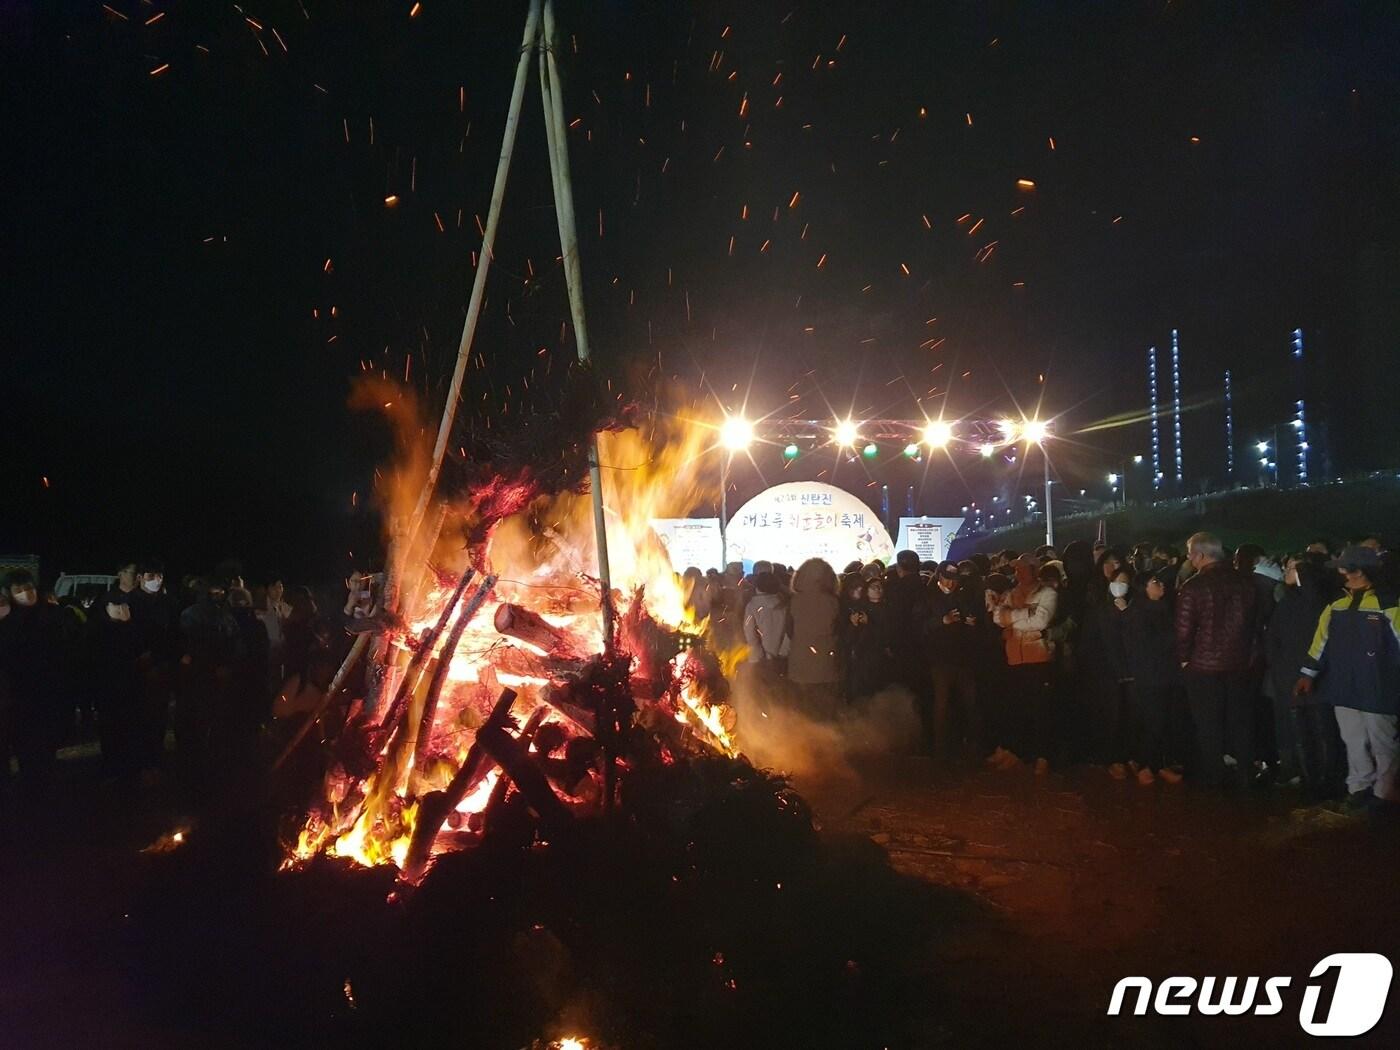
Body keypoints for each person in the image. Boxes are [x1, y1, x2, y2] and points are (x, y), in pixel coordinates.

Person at [1295, 546, 1400, 814]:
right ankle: (1359, 787)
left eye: (1344, 568)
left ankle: (1384, 791)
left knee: (1382, 741)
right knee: (1352, 738)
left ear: (1360, 572)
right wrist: (1307, 674)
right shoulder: (1336, 607)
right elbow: (1320, 644)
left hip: (1379, 688)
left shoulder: (1389, 606)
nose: (1340, 572)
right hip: (1345, 687)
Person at [1175, 532, 1259, 788]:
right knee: (1240, 721)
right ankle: (1246, 772)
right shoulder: (1246, 583)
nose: (1189, 558)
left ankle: (1215, 777)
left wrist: (1184, 659)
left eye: (1190, 553)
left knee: (1208, 723)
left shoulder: (1193, 587)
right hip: (1240, 664)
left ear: (1199, 555)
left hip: (1203, 667)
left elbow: (1183, 631)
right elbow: (1254, 625)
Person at [1267, 555, 1342, 797]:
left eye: (1291, 568)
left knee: (1308, 729)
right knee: (1315, 728)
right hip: (1309, 674)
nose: (1285, 571)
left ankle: (1316, 780)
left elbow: (1275, 640)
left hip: (1298, 675)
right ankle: (1322, 778)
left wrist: (1280, 668)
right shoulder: (1311, 601)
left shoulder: (1298, 603)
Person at [0, 569, 68, 790]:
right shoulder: (7, 620)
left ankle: (46, 780)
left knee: (48, 742)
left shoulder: (52, 613)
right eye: (18, 590)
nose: (25, 594)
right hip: (20, 694)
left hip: (49, 690)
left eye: (28, 588)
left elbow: (65, 648)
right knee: (25, 743)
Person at [1117, 571, 1183, 784]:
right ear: (1143, 588)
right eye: (1155, 582)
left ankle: (1159, 763)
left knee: (1164, 719)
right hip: (1149, 675)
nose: (1160, 585)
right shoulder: (1138, 613)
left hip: (1166, 673)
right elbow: (1142, 646)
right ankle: (1146, 764)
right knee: (1152, 720)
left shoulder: (1163, 608)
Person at [993, 558, 1059, 773]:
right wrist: (1023, 616)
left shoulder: (1047, 594)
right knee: (1018, 708)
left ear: (1034, 571)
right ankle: (1020, 752)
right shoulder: (1011, 593)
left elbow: (1041, 621)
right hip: (1014, 658)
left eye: (1022, 569)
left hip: (1038, 658)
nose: (1018, 573)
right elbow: (997, 617)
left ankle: (1043, 755)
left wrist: (1011, 621)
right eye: (1016, 570)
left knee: (1041, 709)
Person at [787, 558, 841, 719]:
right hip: (828, 661)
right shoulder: (834, 602)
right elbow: (840, 629)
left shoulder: (794, 601)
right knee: (826, 710)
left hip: (800, 661)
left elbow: (789, 631)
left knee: (804, 709)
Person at [741, 571, 789, 695]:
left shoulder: (752, 606)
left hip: (759, 659)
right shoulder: (785, 605)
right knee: (780, 694)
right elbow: (789, 632)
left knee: (761, 695)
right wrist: (782, 653)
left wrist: (758, 654)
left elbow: (750, 632)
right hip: (781, 658)